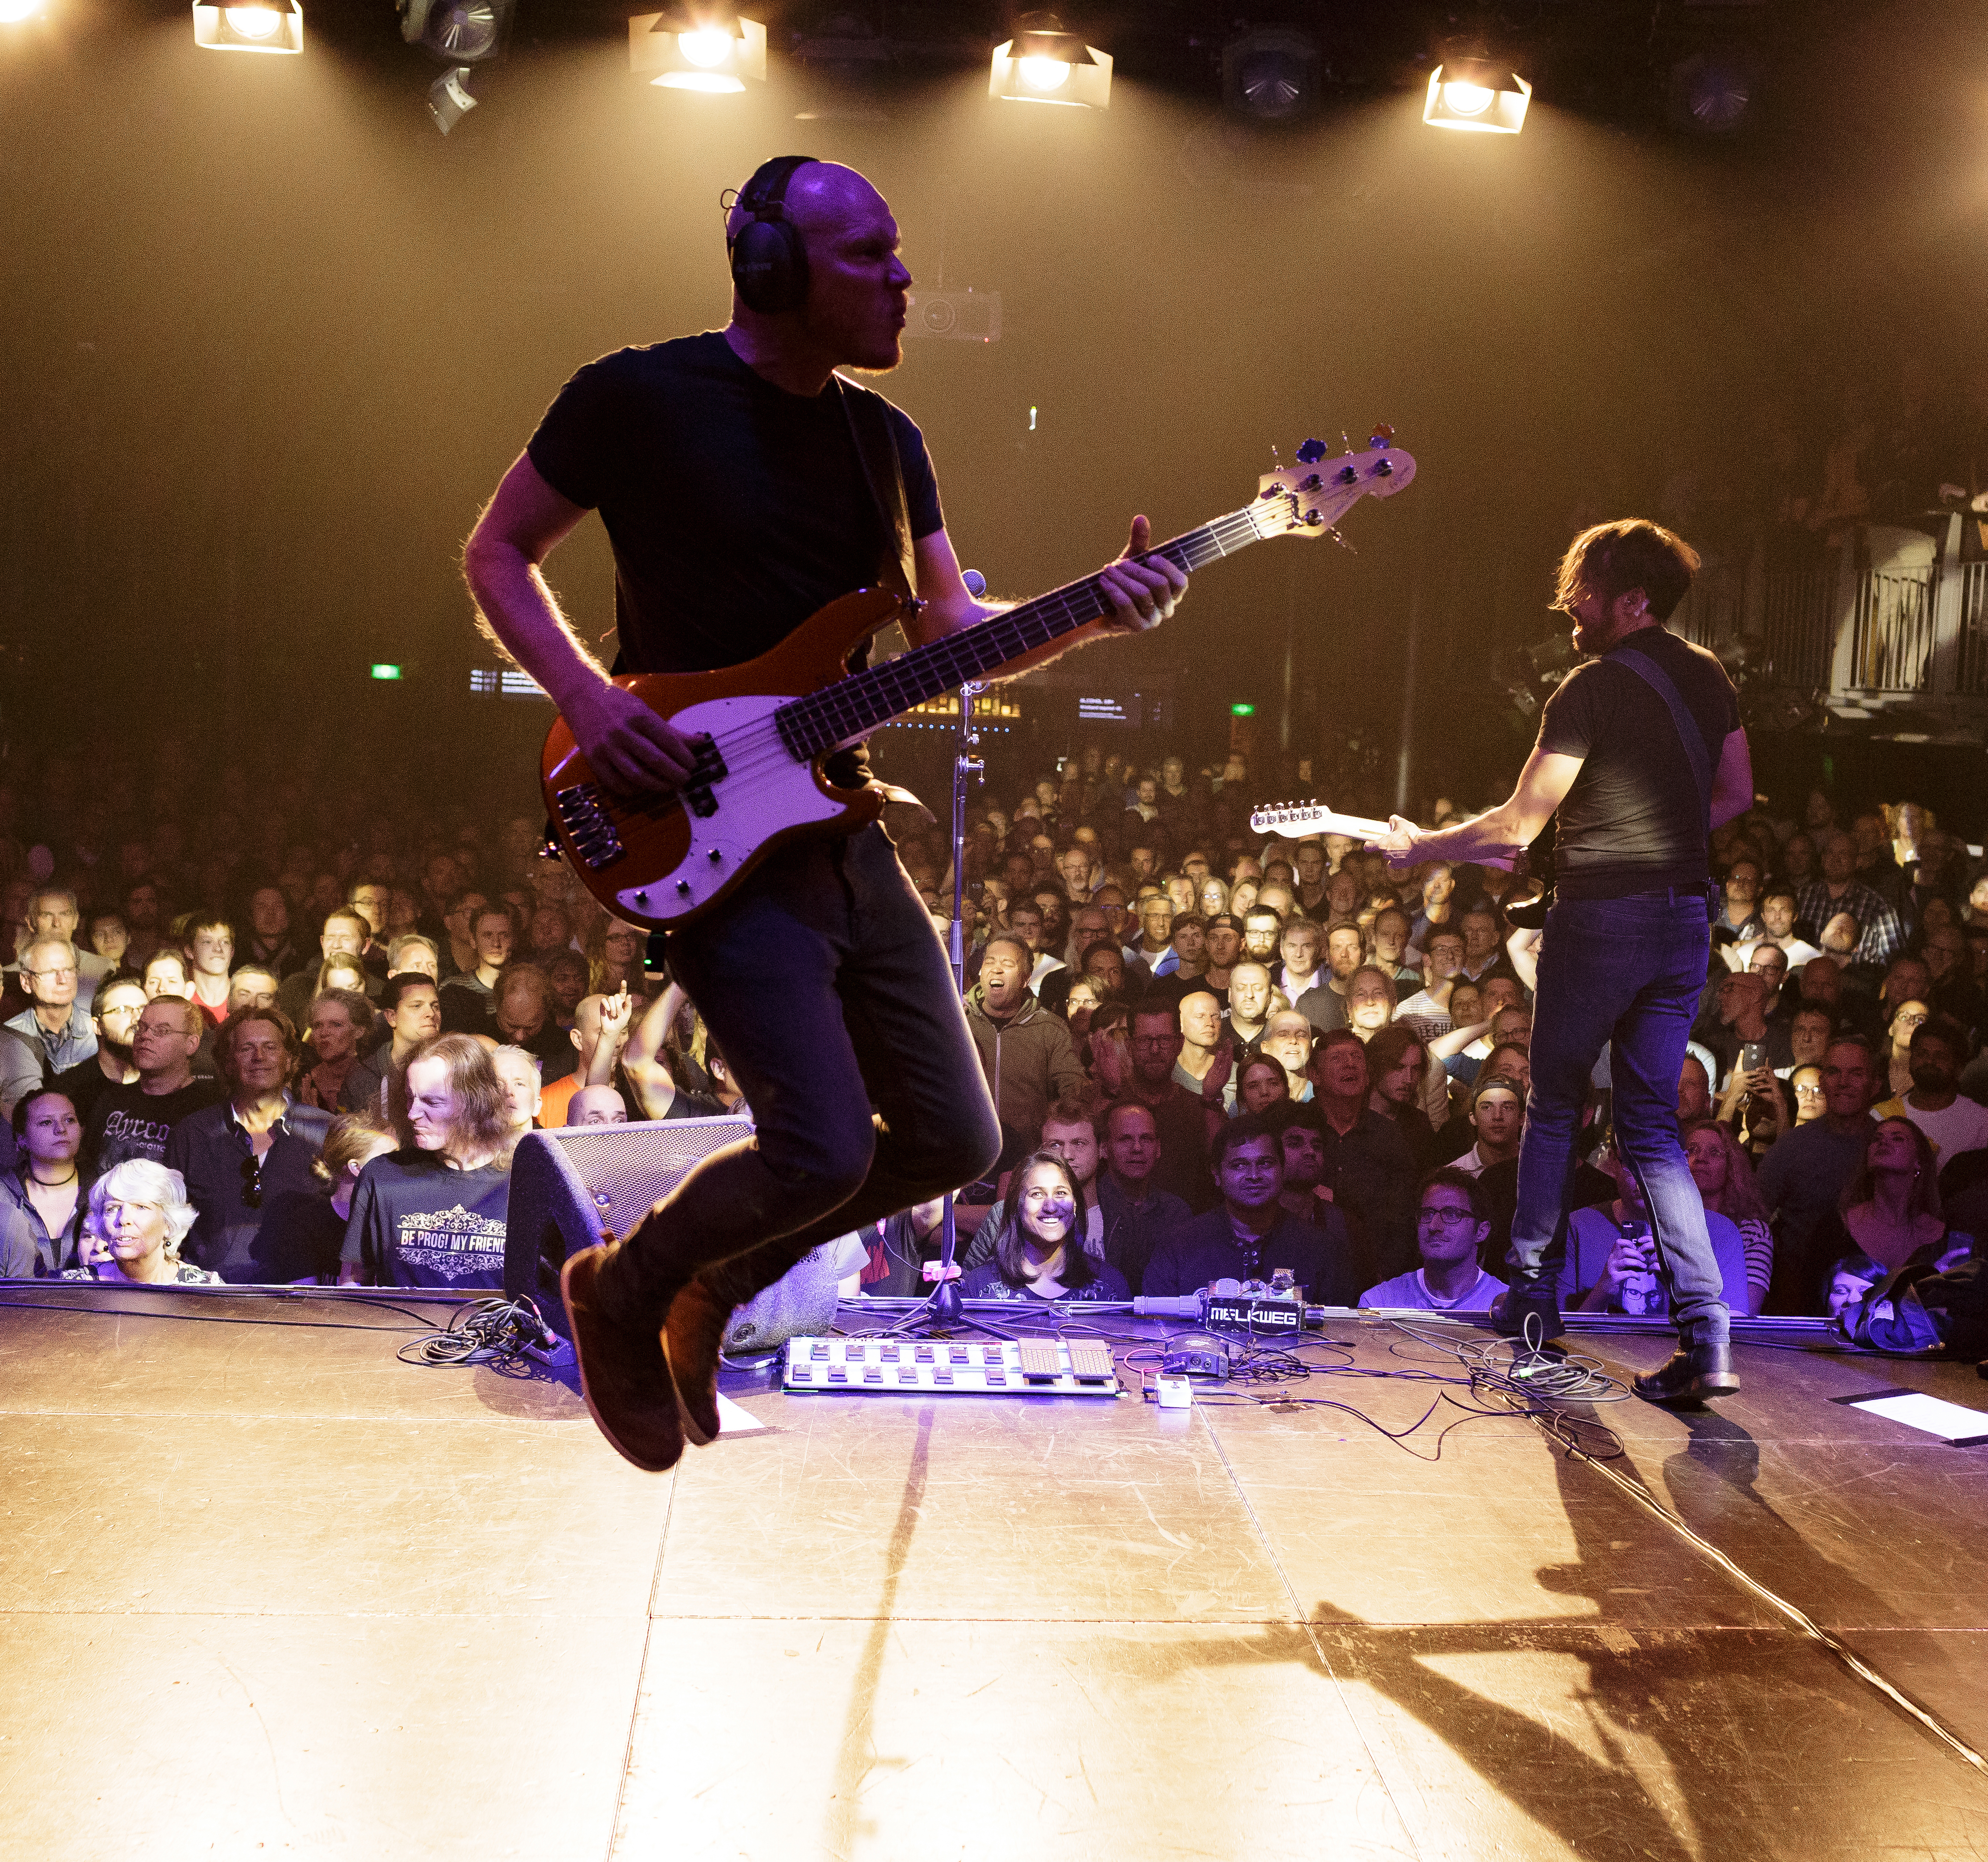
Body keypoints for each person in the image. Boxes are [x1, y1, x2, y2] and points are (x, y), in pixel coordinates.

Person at [1375, 518, 1752, 1405]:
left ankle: (1534, 1296)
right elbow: (1732, 793)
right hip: (1681, 921)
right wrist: (1648, 840)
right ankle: (1707, 1335)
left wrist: (1423, 845)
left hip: (1604, 920)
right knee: (1652, 1129)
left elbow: (1514, 826)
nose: (1567, 604)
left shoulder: (1586, 688)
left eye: (1582, 589)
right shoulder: (1708, 678)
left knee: (1552, 1106)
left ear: (1632, 601)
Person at [165, 1011, 333, 1284]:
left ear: (290, 1059)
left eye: (270, 1047)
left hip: (303, 1297)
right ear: (229, 1063)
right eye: (247, 1048)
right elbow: (169, 1221)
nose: (259, 1057)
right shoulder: (192, 1133)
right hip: (210, 1295)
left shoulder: (325, 1131)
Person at [342, 1034, 515, 1289]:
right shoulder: (383, 1176)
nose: (412, 1113)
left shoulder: (521, 1182)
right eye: (410, 1098)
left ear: (477, 1102)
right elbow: (354, 1280)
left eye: (432, 1102)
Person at [1143, 1113, 1357, 1304]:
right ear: (1216, 1174)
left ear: (1282, 1170)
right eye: (1239, 1165)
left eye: (1265, 1163)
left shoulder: (1320, 1248)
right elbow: (1158, 1328)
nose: (1254, 1176)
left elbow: (1338, 1334)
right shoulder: (1180, 1245)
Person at [1561, 1135, 1750, 1318]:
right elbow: (1557, 1336)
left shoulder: (1719, 1232)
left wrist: (1684, 1289)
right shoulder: (1578, 1226)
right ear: (1614, 1160)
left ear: (1681, 1162)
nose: (1642, 1179)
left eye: (1655, 1164)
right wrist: (1604, 1290)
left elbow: (1734, 1332)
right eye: (1632, 1165)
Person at [1759, 1035, 1881, 1311]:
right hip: (1794, 1296)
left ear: (1876, 1085)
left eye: (1856, 1073)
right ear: (1823, 1081)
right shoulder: (1792, 1146)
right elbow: (1753, 1216)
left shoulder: (1889, 1146)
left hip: (1873, 1295)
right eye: (1834, 1072)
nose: (1843, 1082)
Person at [958, 1150, 1129, 1304]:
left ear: (1075, 1206)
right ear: (1017, 1207)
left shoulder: (1111, 1286)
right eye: (1037, 1194)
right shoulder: (980, 1288)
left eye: (1060, 1193)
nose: (1051, 1206)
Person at [249, 1110, 396, 1287]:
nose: (398, 1165)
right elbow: (305, 1301)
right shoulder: (306, 1223)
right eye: (388, 1158)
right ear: (356, 1167)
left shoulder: (397, 1217)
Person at [84, 995, 217, 1175]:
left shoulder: (209, 1109)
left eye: (162, 1031)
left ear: (191, 1044)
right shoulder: (110, 1099)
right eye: (142, 1028)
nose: (145, 1036)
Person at [1359, 1169, 1508, 1313]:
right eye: (1427, 1214)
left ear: (1481, 1232)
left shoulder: (1508, 1309)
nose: (1434, 1226)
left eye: (1452, 1214)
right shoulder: (1379, 1304)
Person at [63, 1160, 220, 1286]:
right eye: (113, 1208)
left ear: (168, 1223)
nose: (124, 1219)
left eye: (141, 1207)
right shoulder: (70, 1286)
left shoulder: (204, 1289)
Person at [1684, 1121, 1775, 1315]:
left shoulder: (1752, 1232)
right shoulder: (1661, 1222)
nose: (1700, 1158)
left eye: (1715, 1152)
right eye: (1692, 1150)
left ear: (1732, 1167)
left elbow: (1746, 1312)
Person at [1, 1089, 86, 1277]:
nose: (61, 1129)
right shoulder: (3, 1196)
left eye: (70, 1120)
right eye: (46, 1122)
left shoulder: (103, 1193)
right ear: (22, 1139)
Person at [49, 976, 147, 1130]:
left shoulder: (163, 1083)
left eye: (144, 1009)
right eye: (123, 1010)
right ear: (97, 1026)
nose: (137, 1018)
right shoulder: (70, 1090)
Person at [5, 936, 97, 1087]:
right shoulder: (7, 1039)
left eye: (68, 970)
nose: (62, 980)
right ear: (26, 982)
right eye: (50, 972)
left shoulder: (100, 1033)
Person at [298, 988, 374, 1114]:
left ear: (359, 1031)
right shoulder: (302, 1082)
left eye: (336, 1025)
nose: (324, 1033)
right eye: (317, 1026)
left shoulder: (374, 1080)